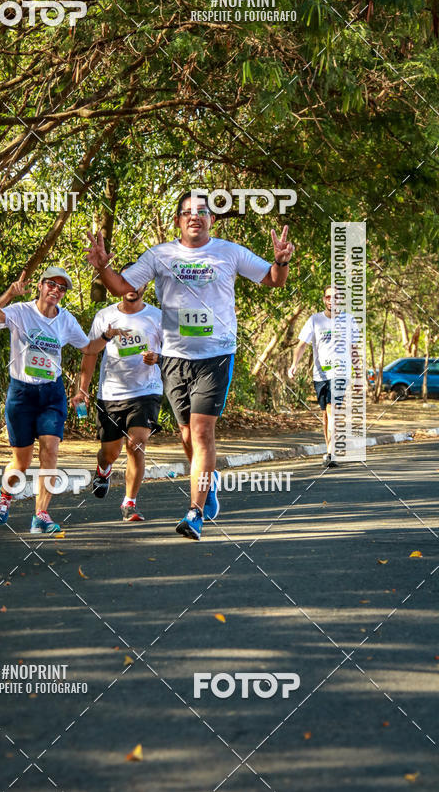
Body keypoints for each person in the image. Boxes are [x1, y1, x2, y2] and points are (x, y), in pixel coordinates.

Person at [85, 192, 294, 541]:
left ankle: (194, 512)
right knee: (186, 436)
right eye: (187, 212)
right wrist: (103, 267)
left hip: (215, 355)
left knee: (201, 432)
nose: (195, 216)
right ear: (178, 221)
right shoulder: (160, 255)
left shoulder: (230, 252)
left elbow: (272, 279)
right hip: (174, 358)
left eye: (202, 211)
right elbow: (122, 286)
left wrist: (281, 262)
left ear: (211, 219)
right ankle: (207, 485)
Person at [0, 266, 129, 533]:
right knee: (22, 463)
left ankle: (41, 515)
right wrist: (9, 294)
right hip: (22, 394)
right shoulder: (21, 312)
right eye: (52, 284)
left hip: (52, 393)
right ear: (40, 285)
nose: (56, 291)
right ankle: (5, 495)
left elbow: (87, 348)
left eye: (62, 288)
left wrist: (107, 336)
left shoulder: (66, 320)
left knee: (50, 449)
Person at [71, 270, 163, 522]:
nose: (133, 287)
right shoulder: (105, 316)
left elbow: (173, 353)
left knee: (137, 443)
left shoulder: (157, 317)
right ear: (119, 284)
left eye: (139, 281)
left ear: (146, 285)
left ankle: (129, 503)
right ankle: (103, 469)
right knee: (109, 452)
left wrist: (158, 358)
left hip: (146, 391)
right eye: (128, 281)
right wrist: (83, 389)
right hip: (111, 394)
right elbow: (90, 353)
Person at [288, 285, 362, 467]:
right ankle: (329, 450)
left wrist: (359, 374)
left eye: (335, 297)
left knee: (333, 410)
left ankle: (331, 452)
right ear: (324, 299)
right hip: (320, 375)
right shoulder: (315, 320)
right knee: (325, 415)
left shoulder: (349, 321)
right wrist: (294, 364)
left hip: (340, 373)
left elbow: (354, 350)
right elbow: (302, 345)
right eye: (329, 297)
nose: (332, 300)